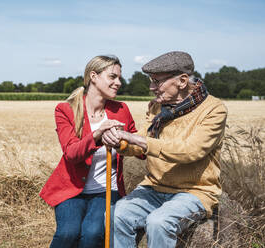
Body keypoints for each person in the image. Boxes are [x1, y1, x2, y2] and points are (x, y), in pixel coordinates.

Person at [102, 51, 228, 248]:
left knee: (158, 222)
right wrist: (120, 142)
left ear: (182, 81)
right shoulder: (157, 107)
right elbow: (140, 143)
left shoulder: (213, 110)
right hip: (153, 187)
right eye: (151, 81)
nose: (152, 87)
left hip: (194, 191)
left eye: (157, 82)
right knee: (116, 214)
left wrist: (137, 139)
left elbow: (190, 151)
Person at [40, 55, 142, 248]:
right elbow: (71, 153)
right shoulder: (66, 109)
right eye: (112, 77)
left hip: (108, 189)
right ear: (93, 76)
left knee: (92, 234)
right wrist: (97, 134)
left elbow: (139, 149)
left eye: (119, 78)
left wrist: (125, 143)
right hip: (71, 189)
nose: (118, 83)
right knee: (67, 234)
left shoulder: (121, 109)